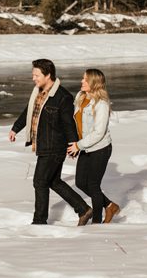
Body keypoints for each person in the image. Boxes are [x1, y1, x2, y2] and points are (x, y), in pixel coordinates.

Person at [10, 59, 93, 226]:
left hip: (55, 146)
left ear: (48, 75)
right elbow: (29, 111)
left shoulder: (63, 97)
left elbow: (68, 123)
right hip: (43, 145)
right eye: (33, 75)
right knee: (54, 181)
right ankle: (83, 209)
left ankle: (39, 221)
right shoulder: (38, 92)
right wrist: (15, 128)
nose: (33, 78)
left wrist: (73, 144)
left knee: (40, 181)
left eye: (36, 75)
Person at [67, 69, 120, 224]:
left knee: (93, 185)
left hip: (101, 148)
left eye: (85, 79)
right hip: (86, 147)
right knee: (80, 183)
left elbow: (99, 133)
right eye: (82, 78)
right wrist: (74, 145)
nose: (81, 81)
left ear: (94, 83)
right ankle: (110, 205)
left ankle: (96, 223)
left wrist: (78, 145)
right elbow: (77, 124)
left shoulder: (101, 104)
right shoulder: (80, 97)